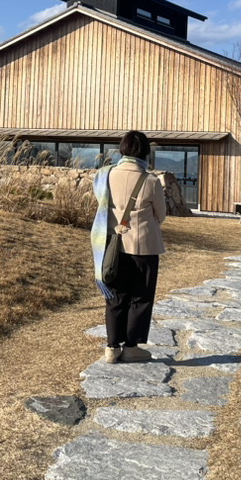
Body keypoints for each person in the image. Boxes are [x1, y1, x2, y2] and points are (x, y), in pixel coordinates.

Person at [90, 130, 167, 363]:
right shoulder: (151, 181)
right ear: (145, 152)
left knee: (115, 296)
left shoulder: (104, 175)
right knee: (141, 297)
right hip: (144, 247)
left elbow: (100, 204)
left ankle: (111, 347)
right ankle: (132, 346)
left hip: (113, 246)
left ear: (122, 149)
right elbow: (160, 216)